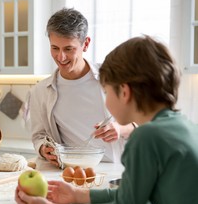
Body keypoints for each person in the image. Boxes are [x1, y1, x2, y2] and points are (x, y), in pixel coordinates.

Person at [15, 35, 198, 204]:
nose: (106, 99)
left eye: (106, 91)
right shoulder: (186, 126)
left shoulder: (146, 138)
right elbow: (134, 198)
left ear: (125, 92)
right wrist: (77, 195)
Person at [30, 8, 135, 166]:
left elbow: (145, 123)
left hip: (116, 169)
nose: (61, 57)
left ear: (85, 44)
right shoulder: (40, 91)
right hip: (70, 173)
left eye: (68, 49)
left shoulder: (114, 77)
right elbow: (38, 136)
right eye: (55, 48)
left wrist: (120, 129)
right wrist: (43, 149)